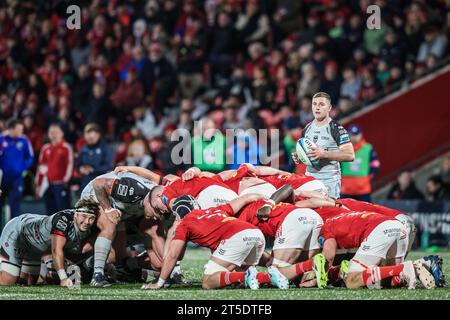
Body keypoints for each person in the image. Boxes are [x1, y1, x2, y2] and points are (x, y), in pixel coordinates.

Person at [142, 193, 269, 290]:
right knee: (240, 273)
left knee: (208, 282)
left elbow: (173, 255)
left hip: (237, 238)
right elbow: (245, 198)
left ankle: (248, 274)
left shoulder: (184, 223)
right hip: (256, 233)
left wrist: (159, 283)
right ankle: (274, 273)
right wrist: (268, 200)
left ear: (178, 215)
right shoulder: (216, 210)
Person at [80, 170, 164, 287]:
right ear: (153, 200)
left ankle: (90, 263)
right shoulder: (133, 190)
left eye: (162, 212)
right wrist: (108, 209)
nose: (157, 216)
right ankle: (97, 275)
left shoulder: (159, 199)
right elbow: (98, 184)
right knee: (110, 222)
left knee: (115, 257)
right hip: (96, 195)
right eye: (157, 211)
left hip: (121, 206)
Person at [320, 211, 435, 290]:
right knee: (388, 280)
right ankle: (419, 266)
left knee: (352, 280)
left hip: (380, 229)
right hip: (399, 227)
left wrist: (319, 277)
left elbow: (328, 256)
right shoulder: (343, 216)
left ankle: (406, 267)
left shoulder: (325, 226)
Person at [0, 198, 99, 287]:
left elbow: (80, 249)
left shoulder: (92, 227)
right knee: (7, 281)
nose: (87, 221)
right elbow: (56, 249)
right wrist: (63, 278)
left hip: (35, 246)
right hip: (17, 233)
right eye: (84, 216)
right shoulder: (63, 220)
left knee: (29, 282)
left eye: (91, 218)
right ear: (76, 214)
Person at [292, 92, 355, 199]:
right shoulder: (307, 128)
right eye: (314, 104)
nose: (317, 107)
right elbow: (310, 157)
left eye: (321, 104)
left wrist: (324, 154)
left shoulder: (336, 128)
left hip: (329, 181)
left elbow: (350, 155)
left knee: (328, 213)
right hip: (310, 179)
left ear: (329, 108)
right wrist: (300, 157)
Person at [0, 119, 34, 221]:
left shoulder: (24, 140)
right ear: (11, 129)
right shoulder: (1, 139)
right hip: (2, 179)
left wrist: (22, 168)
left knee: (15, 207)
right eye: (19, 130)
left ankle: (13, 233)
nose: (21, 132)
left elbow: (30, 157)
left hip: (16, 179)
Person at [36, 124, 74, 214]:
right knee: (49, 211)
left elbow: (70, 164)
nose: (54, 135)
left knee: (62, 211)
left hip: (60, 184)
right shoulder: (45, 148)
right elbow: (41, 167)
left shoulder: (66, 147)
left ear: (62, 133)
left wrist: (65, 180)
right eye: (51, 132)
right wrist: (39, 184)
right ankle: (51, 228)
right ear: (48, 134)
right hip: (47, 185)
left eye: (56, 132)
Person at [341, 124, 380, 202]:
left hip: (363, 190)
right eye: (351, 135)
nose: (354, 137)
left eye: (356, 135)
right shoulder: (342, 148)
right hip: (346, 189)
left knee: (366, 212)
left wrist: (369, 177)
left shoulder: (368, 148)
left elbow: (375, 164)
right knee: (345, 212)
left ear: (361, 135)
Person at [76, 123, 113, 190]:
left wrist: (93, 169)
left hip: (101, 183)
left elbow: (109, 165)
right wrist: (81, 168)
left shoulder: (105, 148)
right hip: (86, 183)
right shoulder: (83, 149)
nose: (90, 139)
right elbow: (78, 164)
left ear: (98, 135)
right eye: (88, 137)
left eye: (92, 137)